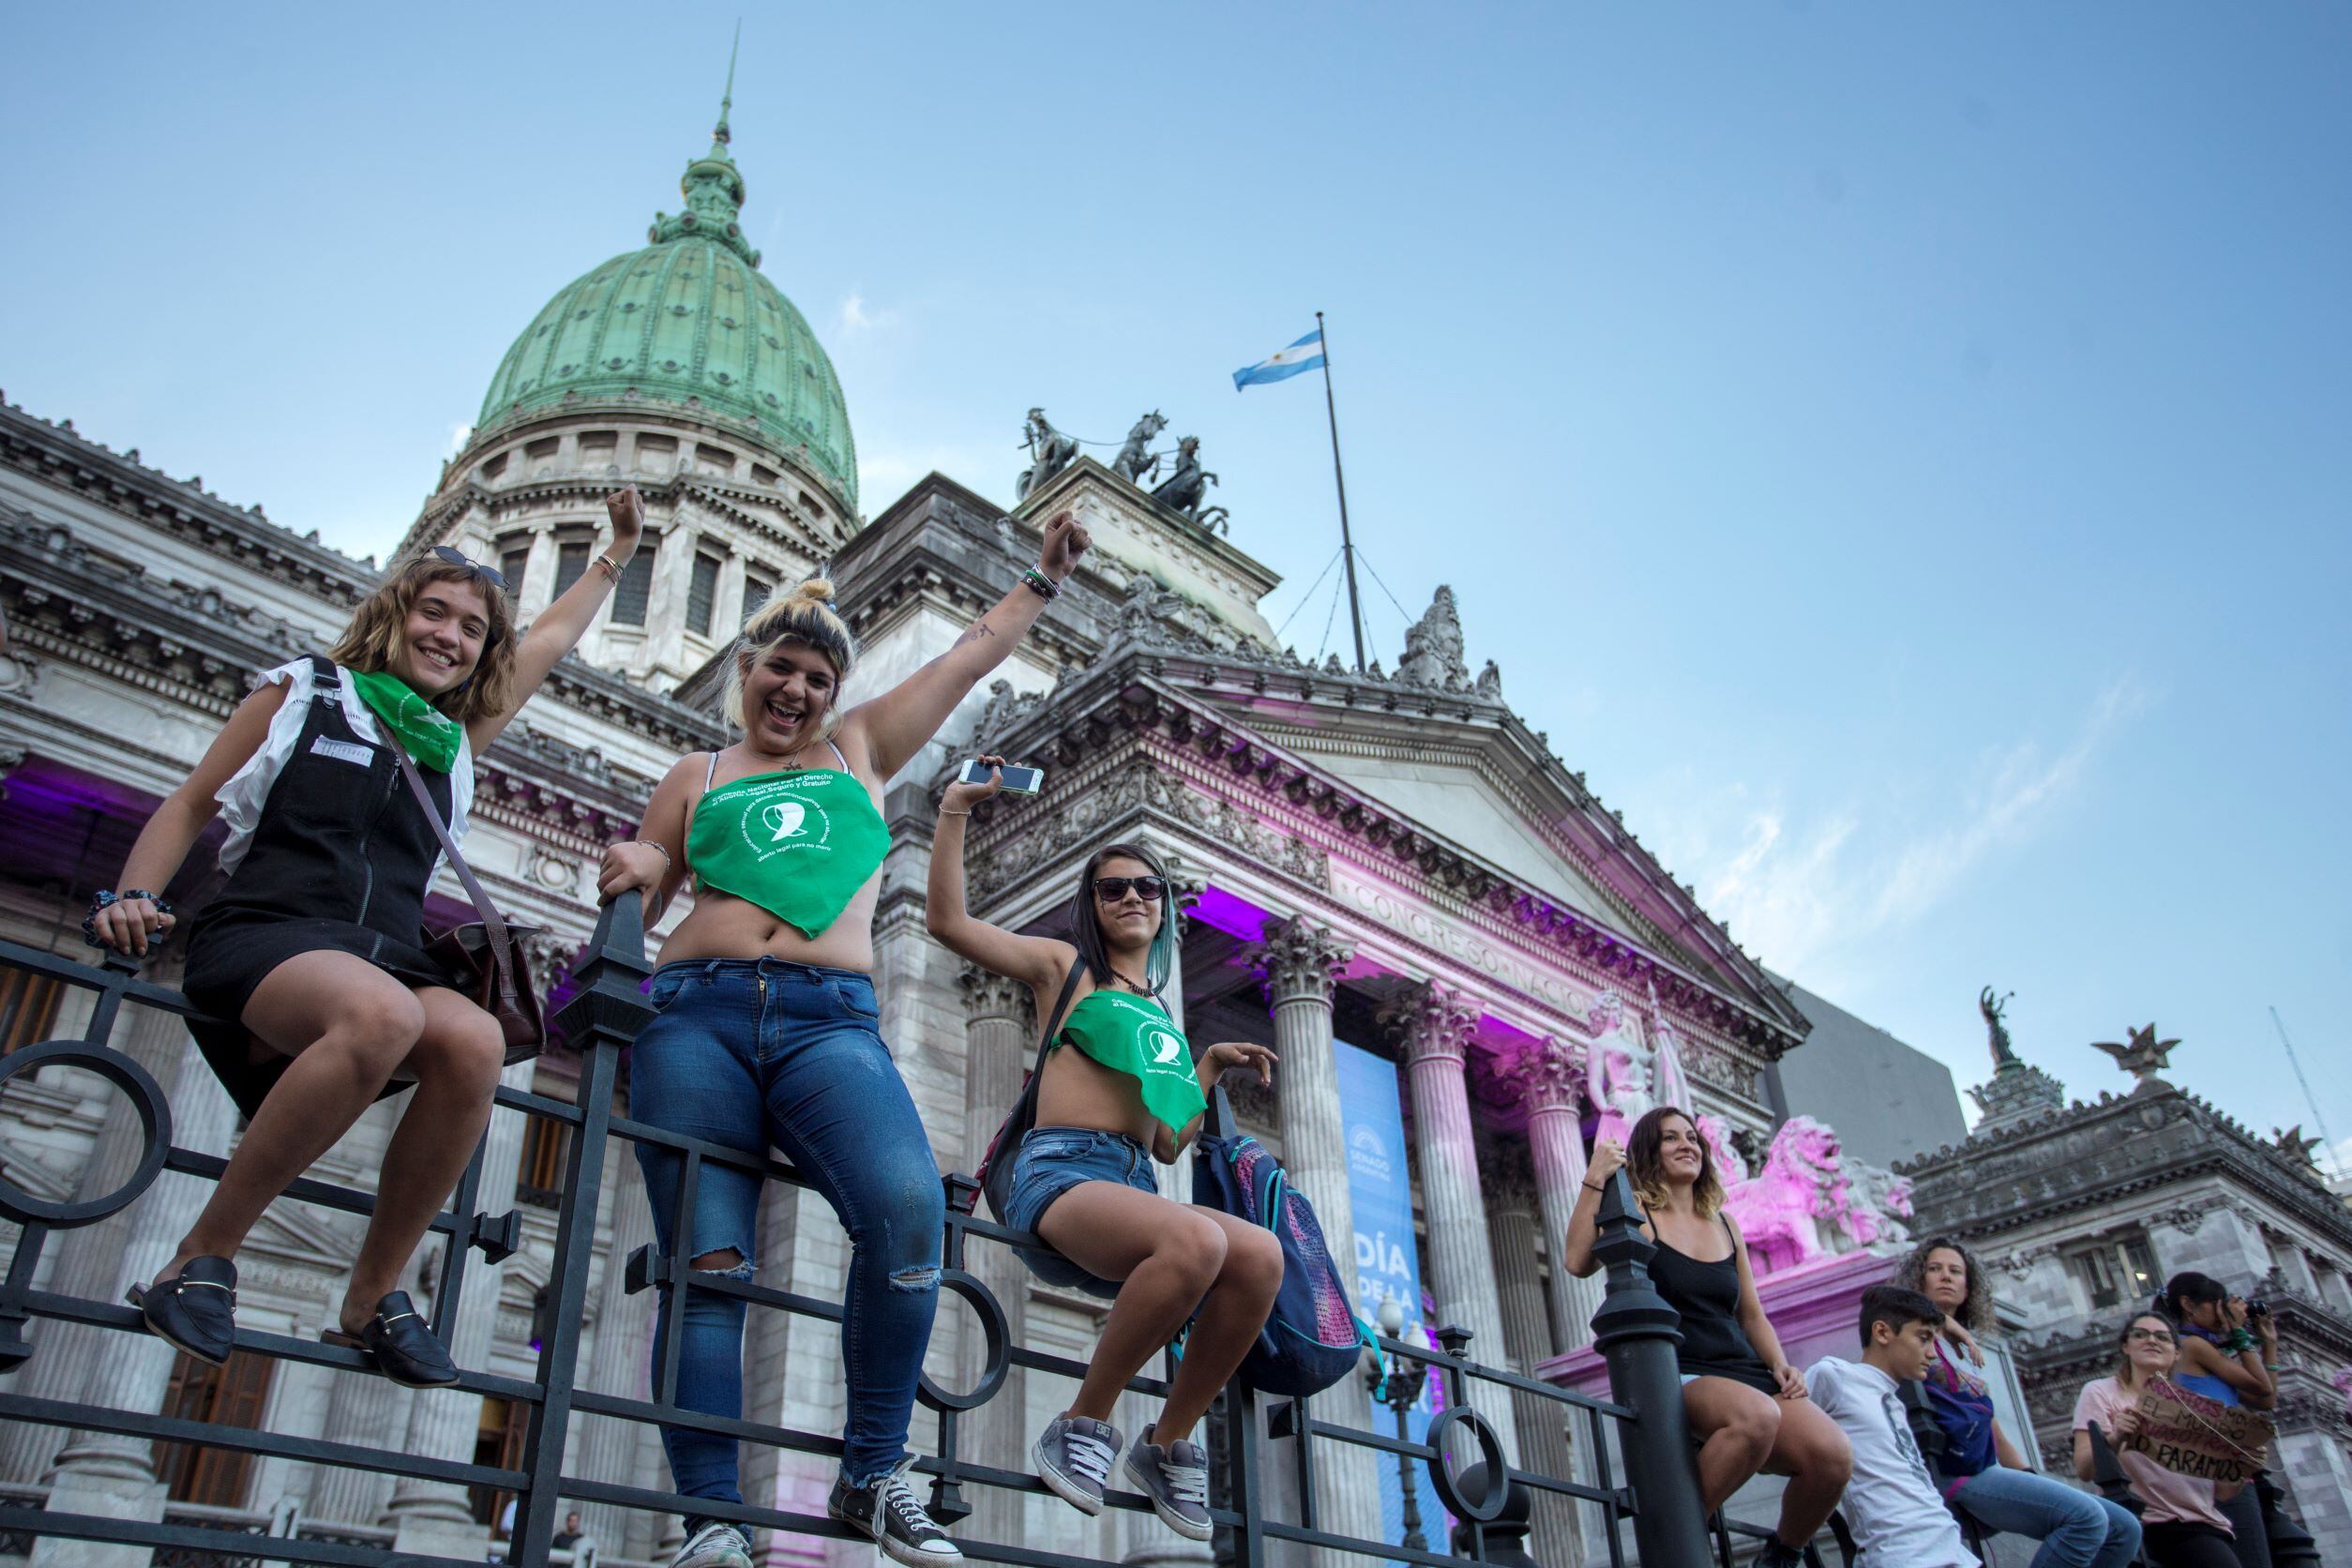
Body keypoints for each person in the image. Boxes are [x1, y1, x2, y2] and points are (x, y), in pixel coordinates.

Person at [594, 514, 1091, 1568]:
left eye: (819, 676)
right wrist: (637, 874)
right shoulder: (696, 771)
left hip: (829, 1021)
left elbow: (965, 659)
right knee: (709, 1264)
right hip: (699, 1015)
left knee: (908, 1208)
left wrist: (1040, 583)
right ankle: (713, 1517)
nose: (798, 690)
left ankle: (872, 1472)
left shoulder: (859, 747)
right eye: (783, 667)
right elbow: (646, 895)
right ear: (748, 667)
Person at [91, 490, 646, 1386]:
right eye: (434, 612)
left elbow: (544, 644)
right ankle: (200, 1256)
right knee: (386, 1016)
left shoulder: (452, 737)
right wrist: (133, 893)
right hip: (266, 934)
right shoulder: (304, 689)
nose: (450, 637)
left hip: (380, 957)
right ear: (393, 614)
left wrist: (616, 557)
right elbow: (193, 801)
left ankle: (371, 1300)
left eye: (472, 627)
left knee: (474, 1038)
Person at [927, 763, 1283, 1540]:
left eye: (1147, 888)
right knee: (1196, 1235)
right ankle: (1083, 1426)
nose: (1131, 898)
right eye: (1112, 888)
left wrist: (1208, 1068)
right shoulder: (1065, 970)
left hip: (1130, 1180)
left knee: (1258, 1256)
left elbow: (1166, 1139)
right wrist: (954, 810)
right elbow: (949, 924)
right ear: (1091, 905)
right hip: (1058, 1175)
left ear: (1164, 908)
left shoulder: (1158, 1010)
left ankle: (1166, 1444)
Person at [1560, 1107, 1852, 1568]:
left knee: (1833, 1457)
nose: (1687, 1145)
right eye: (1672, 1138)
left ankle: (1782, 1555)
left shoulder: (1725, 1224)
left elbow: (1751, 1314)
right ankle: (1676, 1544)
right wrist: (1594, 1179)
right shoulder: (1637, 1213)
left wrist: (1779, 1363)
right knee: (1756, 1417)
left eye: (1692, 1137)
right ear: (1649, 1152)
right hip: (1683, 1371)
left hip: (1744, 1368)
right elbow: (1577, 1262)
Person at [1894, 1237, 2141, 1567]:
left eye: (1956, 1271)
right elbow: (1897, 1306)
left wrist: (2028, 1474)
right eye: (1934, 1269)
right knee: (2086, 1518)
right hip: (1959, 1473)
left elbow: (1993, 1428)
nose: (1946, 1277)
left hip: (1989, 1468)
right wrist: (1949, 1326)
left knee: (2125, 1528)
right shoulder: (1913, 1334)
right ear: (1918, 1280)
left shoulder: (1966, 1354)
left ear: (1968, 1289)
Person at [1804, 1285, 1979, 1567]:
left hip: (1952, 1550)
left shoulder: (1893, 1401)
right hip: (1899, 1554)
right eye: (1923, 1339)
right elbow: (1779, 1436)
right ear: (1883, 1332)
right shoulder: (1835, 1376)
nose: (1932, 1353)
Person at [2073, 1312, 2247, 1568]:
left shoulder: (2200, 1409)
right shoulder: (2101, 1392)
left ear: (2176, 1353)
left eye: (2162, 1337)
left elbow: (2223, 1490)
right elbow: (2084, 1469)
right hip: (2143, 1524)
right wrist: (2115, 1437)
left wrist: (2241, 1464)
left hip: (2202, 1524)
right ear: (2126, 1346)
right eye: (2140, 1334)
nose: (2151, 1341)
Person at [2155, 1273, 2276, 1568]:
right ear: (2188, 1304)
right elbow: (2261, 1387)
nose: (2224, 1313)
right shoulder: (2191, 1345)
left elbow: (2266, 1400)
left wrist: (2269, 1343)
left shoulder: (2205, 1349)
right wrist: (2239, 1332)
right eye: (2218, 1305)